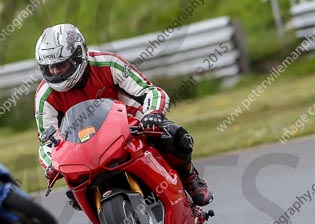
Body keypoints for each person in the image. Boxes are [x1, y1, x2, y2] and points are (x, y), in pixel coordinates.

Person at [33, 23, 213, 208]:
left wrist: (152, 115)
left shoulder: (109, 63)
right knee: (73, 192)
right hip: (83, 147)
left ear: (78, 56)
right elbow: (47, 141)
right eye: (49, 67)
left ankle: (190, 178)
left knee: (173, 135)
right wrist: (51, 165)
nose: (54, 72)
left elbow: (151, 91)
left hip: (131, 127)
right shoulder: (44, 96)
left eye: (60, 65)